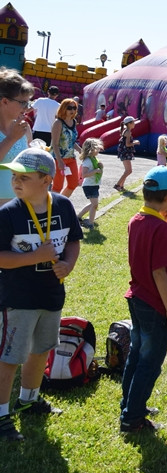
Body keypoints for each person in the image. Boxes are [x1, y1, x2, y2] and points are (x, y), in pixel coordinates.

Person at [0, 148, 83, 441]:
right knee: (10, 357)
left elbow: (73, 241)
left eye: (24, 177)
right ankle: (1, 415)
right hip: (17, 299)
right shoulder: (8, 214)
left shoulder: (62, 206)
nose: (16, 182)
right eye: (14, 176)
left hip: (51, 296)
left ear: (47, 180)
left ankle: (29, 399)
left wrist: (68, 264)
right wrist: (36, 257)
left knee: (40, 350)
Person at [120, 166, 167, 433]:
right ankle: (132, 419)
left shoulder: (136, 220)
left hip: (136, 298)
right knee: (149, 362)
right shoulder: (161, 229)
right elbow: (159, 271)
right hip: (155, 304)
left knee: (136, 355)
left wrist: (164, 224)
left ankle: (129, 404)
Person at [0, 70, 36, 207]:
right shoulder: (17, 132)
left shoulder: (24, 128)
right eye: (23, 103)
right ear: (5, 101)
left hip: (20, 205)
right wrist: (11, 139)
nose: (27, 108)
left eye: (29, 103)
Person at [50, 99, 81, 197]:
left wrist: (81, 151)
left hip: (71, 158)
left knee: (73, 184)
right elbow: (54, 144)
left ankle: (61, 202)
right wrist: (59, 160)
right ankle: (52, 207)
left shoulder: (74, 121)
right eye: (69, 108)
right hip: (58, 158)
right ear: (63, 108)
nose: (72, 110)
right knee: (57, 187)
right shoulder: (58, 123)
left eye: (74, 108)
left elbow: (72, 141)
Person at [76, 138, 104, 228]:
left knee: (93, 204)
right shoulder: (87, 161)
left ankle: (78, 217)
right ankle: (90, 223)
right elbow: (84, 175)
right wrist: (96, 170)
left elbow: (97, 169)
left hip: (94, 185)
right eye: (97, 148)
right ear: (91, 149)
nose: (99, 150)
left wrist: (100, 166)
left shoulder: (94, 159)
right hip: (89, 186)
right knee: (95, 204)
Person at [113, 116, 139, 191]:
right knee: (129, 171)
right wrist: (135, 142)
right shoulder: (127, 132)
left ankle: (121, 186)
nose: (134, 123)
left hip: (125, 153)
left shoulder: (127, 131)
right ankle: (117, 185)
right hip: (125, 153)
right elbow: (127, 144)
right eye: (133, 122)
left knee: (127, 170)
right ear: (129, 124)